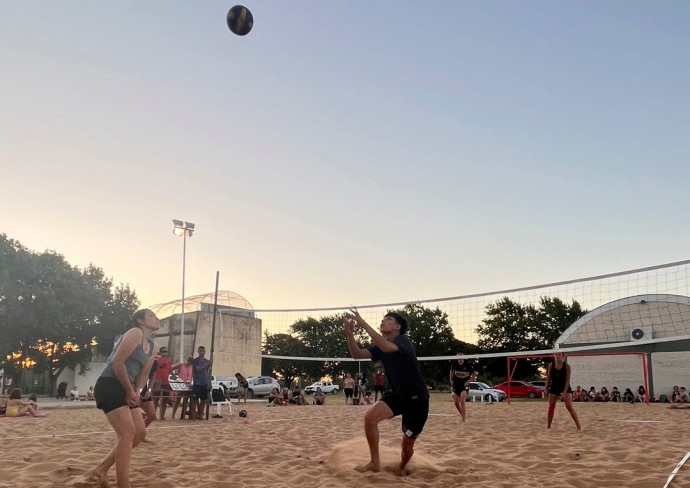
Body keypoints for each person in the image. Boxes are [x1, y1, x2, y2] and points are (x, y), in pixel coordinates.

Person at [344, 309, 429, 475]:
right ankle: (374, 463)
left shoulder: (403, 341)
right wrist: (350, 335)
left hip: (417, 400)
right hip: (397, 395)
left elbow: (387, 347)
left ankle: (403, 466)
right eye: (383, 319)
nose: (383, 321)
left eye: (388, 319)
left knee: (407, 446)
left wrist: (362, 322)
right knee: (369, 418)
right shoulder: (380, 346)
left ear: (397, 326)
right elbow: (356, 354)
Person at [90, 309, 159, 488]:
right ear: (140, 320)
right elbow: (117, 362)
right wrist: (129, 390)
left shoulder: (154, 346)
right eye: (152, 315)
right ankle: (123, 485)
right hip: (110, 384)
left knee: (140, 432)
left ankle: (101, 468)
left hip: (128, 387)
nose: (156, 318)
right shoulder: (134, 332)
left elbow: (143, 374)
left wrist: (136, 391)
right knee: (127, 433)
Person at [545, 352, 581, 431]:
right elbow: (548, 378)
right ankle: (548, 426)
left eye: (559, 354)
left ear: (563, 356)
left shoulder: (567, 366)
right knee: (551, 407)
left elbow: (567, 381)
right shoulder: (551, 365)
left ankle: (578, 426)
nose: (557, 356)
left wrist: (564, 392)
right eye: (556, 354)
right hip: (554, 387)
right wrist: (546, 388)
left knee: (569, 407)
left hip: (565, 387)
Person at [450, 352, 477, 422]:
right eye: (458, 357)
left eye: (461, 358)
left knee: (462, 401)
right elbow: (451, 371)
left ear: (464, 357)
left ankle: (463, 420)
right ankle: (462, 414)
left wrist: (469, 381)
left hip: (464, 386)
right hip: (456, 385)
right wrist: (451, 379)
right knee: (456, 402)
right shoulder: (454, 364)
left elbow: (474, 374)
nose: (460, 359)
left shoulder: (468, 365)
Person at [152, 346, 173, 420]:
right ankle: (153, 416)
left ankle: (162, 416)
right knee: (155, 399)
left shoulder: (169, 362)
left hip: (166, 382)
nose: (165, 353)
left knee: (165, 400)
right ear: (160, 352)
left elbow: (169, 371)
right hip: (157, 381)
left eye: (166, 351)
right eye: (163, 351)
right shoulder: (156, 361)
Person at [170, 355, 194, 419]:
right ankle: (173, 414)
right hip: (180, 384)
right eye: (189, 362)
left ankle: (182, 415)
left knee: (185, 400)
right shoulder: (181, 365)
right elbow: (170, 368)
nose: (189, 363)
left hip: (188, 384)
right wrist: (174, 376)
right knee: (178, 400)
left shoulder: (192, 367)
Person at [192, 346, 212, 420]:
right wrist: (208, 364)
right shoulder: (195, 360)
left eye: (203, 351)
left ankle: (200, 415)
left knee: (203, 400)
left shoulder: (207, 361)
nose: (202, 352)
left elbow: (209, 372)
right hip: (197, 382)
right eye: (200, 351)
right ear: (198, 351)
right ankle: (193, 415)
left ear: (205, 351)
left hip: (204, 382)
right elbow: (198, 369)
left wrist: (209, 382)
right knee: (195, 399)